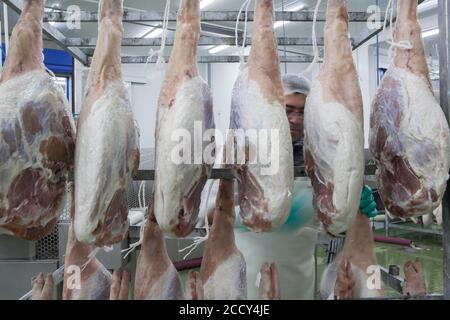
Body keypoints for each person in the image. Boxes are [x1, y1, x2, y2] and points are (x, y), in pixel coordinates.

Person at [198, 74, 377, 300]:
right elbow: (205, 215)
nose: (294, 119)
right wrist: (251, 211)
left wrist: (351, 210)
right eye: (288, 109)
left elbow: (332, 229)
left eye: (303, 112)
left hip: (298, 280)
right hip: (240, 280)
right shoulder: (241, 152)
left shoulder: (320, 160)